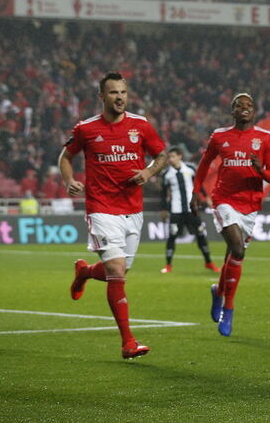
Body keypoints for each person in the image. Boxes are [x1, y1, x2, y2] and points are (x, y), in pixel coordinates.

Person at [62, 71, 168, 360]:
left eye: (123, 92)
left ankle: (85, 272)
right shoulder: (86, 129)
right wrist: (68, 180)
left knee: (119, 272)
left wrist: (148, 171)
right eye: (113, 93)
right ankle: (128, 342)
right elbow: (66, 156)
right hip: (101, 207)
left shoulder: (141, 126)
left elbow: (162, 155)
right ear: (101, 96)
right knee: (118, 272)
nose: (119, 97)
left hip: (133, 210)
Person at [192, 92, 270, 337]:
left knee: (232, 254)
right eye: (239, 105)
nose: (244, 109)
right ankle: (228, 309)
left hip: (250, 205)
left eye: (249, 105)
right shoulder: (220, 136)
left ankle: (218, 292)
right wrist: (196, 191)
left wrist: (259, 169)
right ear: (233, 111)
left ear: (254, 111)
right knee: (238, 250)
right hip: (224, 201)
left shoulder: (265, 138)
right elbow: (204, 164)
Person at [160, 147, 219, 274]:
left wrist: (206, 197)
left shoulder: (190, 168)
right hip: (176, 210)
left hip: (192, 209)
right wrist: (164, 209)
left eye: (173, 156)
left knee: (200, 234)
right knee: (172, 236)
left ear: (180, 156)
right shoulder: (166, 174)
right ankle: (168, 265)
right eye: (169, 157)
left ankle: (208, 262)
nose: (170, 159)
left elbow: (198, 184)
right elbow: (164, 193)